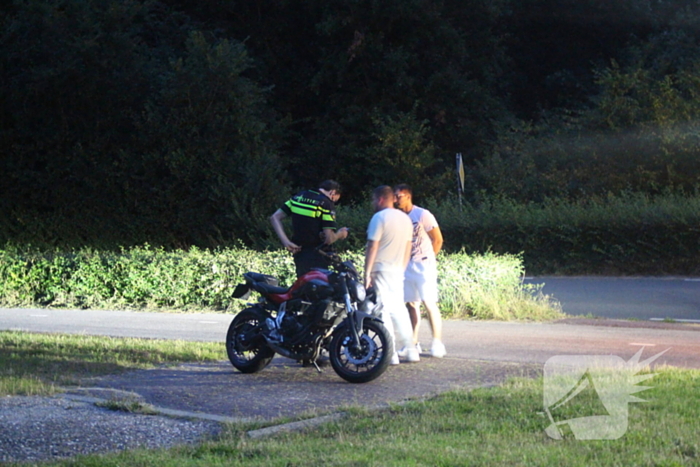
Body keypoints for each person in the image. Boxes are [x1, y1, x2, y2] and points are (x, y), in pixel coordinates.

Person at [364, 185, 418, 364]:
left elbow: (373, 246)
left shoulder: (379, 218)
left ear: (380, 199)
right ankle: (411, 349)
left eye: (373, 199)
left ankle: (391, 352)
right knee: (400, 310)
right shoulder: (404, 219)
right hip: (397, 269)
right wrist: (402, 267)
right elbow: (408, 245)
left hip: (380, 268)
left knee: (383, 310)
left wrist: (367, 273)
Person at [394, 183, 446, 358]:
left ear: (408, 196)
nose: (396, 200)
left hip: (424, 264)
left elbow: (437, 240)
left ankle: (437, 342)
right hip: (407, 265)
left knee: (429, 302)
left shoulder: (423, 214)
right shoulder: (398, 217)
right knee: (411, 304)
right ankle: (412, 343)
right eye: (395, 196)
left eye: (399, 196)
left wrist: (429, 258)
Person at [270, 180, 349, 277]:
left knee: (302, 287)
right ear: (333, 192)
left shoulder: (298, 197)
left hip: (299, 252)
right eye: (334, 199)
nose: (333, 202)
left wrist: (286, 242)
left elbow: (274, 218)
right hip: (317, 255)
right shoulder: (325, 203)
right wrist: (341, 233)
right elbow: (329, 239)